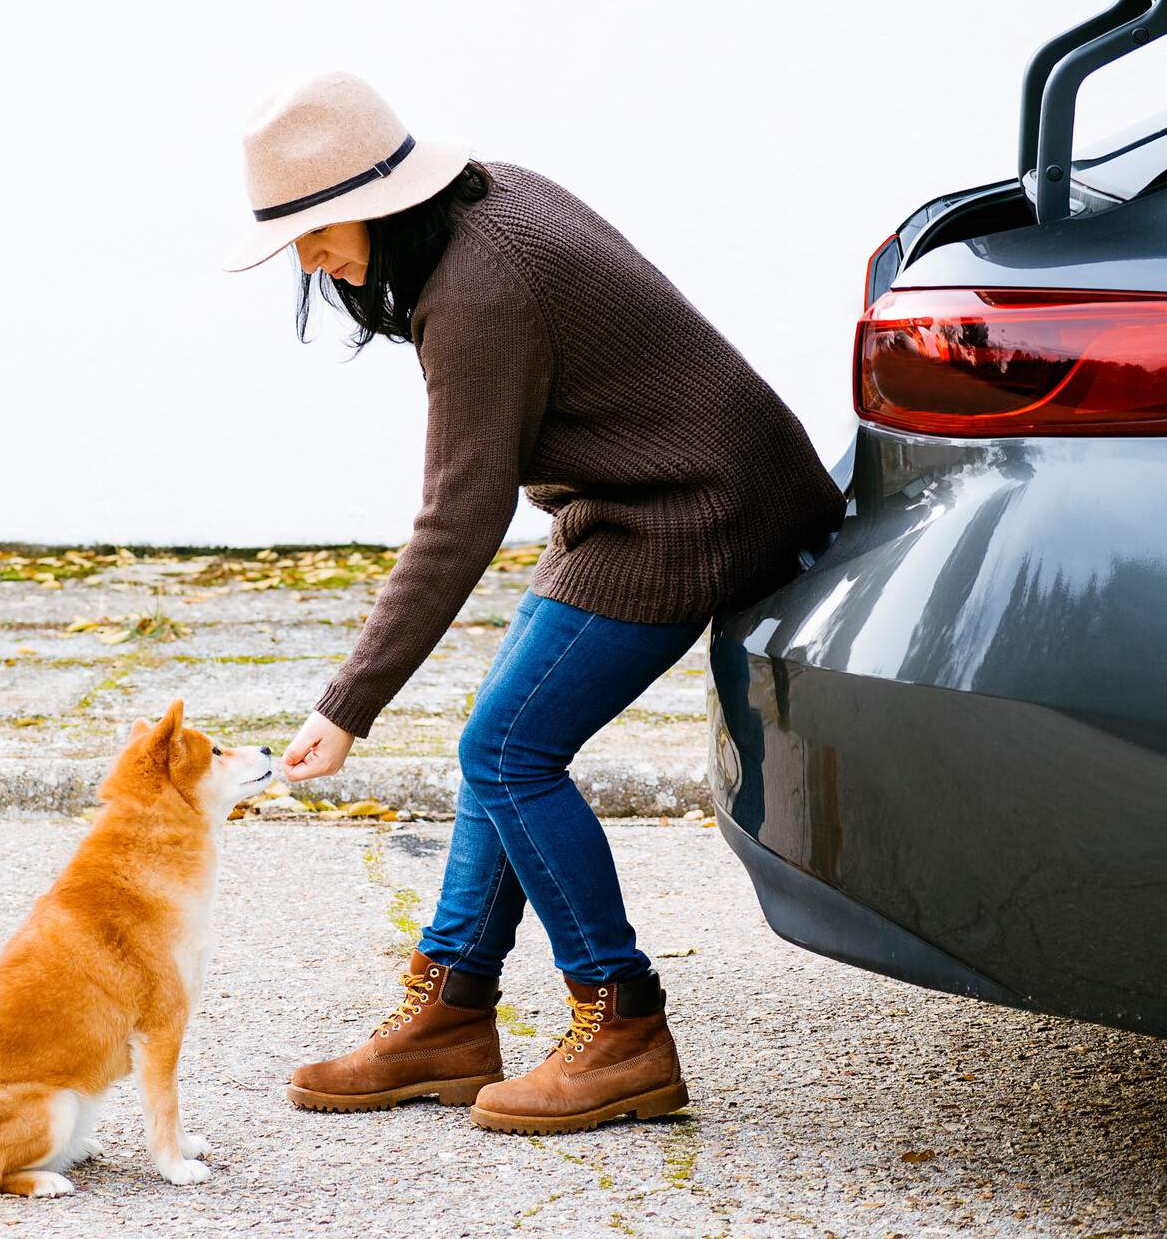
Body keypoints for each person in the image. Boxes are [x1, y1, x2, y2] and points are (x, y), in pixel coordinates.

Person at [223, 72, 844, 1134]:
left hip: (691, 511)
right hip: (639, 499)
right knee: (500, 735)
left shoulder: (478, 289)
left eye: (316, 231)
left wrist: (346, 702)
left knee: (507, 750)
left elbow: (457, 519)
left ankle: (623, 1028)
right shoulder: (487, 202)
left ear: (376, 204)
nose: (311, 260)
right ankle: (453, 1010)